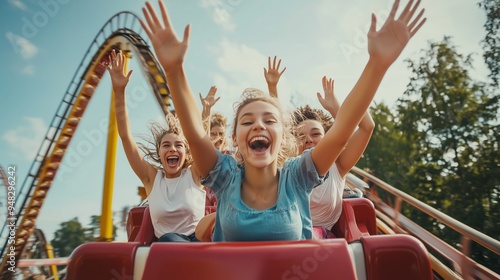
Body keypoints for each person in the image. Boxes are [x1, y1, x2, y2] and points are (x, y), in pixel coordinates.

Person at [139, 0, 426, 241]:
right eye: (247, 121)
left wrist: (376, 65)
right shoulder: (225, 177)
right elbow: (193, 132)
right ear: (236, 139)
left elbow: (340, 133)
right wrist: (174, 71)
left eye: (269, 120)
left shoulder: (297, 175)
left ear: (283, 137)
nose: (259, 126)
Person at [106, 49, 206, 242]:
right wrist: (119, 91)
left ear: (186, 152)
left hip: (198, 242)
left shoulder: (193, 174)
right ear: (159, 152)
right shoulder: (152, 178)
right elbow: (126, 137)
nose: (173, 149)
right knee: (169, 240)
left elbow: (200, 139)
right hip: (168, 245)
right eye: (166, 145)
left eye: (179, 145)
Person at [293, 76, 375, 238]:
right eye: (300, 136)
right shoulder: (288, 167)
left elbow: (367, 127)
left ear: (329, 137)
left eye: (315, 133)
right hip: (288, 237)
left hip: (322, 241)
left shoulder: (339, 166)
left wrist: (337, 109)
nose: (308, 139)